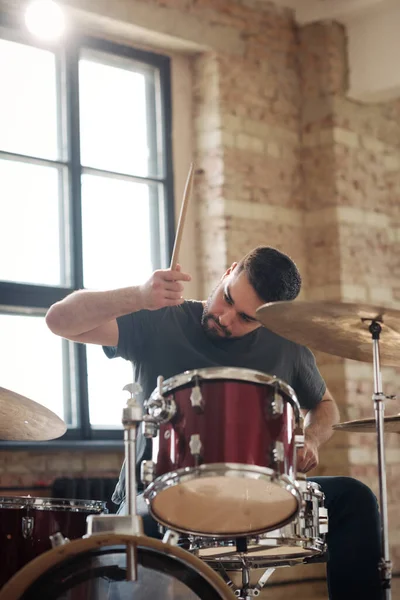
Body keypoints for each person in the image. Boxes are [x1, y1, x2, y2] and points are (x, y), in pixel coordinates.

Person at [46, 246, 382, 600]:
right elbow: (59, 321)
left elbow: (325, 406)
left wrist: (312, 438)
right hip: (153, 496)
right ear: (228, 272)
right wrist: (139, 295)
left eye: (246, 319)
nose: (226, 319)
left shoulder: (287, 347)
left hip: (255, 494)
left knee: (354, 499)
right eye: (227, 299)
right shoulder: (162, 318)